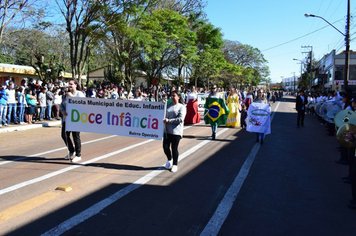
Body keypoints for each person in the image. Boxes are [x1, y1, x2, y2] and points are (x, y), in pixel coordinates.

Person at [60, 79, 85, 163]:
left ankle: (78, 155)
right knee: (64, 135)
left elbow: (82, 104)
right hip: (66, 119)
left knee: (75, 136)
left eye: (71, 84)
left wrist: (71, 96)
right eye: (69, 84)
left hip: (76, 119)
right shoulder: (65, 95)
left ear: (76, 85)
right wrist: (62, 110)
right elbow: (62, 104)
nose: (69, 86)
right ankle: (71, 151)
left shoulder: (79, 94)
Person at [163, 90, 186, 173]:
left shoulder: (181, 107)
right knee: (165, 147)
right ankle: (169, 159)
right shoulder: (167, 106)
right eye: (171, 96)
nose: (172, 97)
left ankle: (175, 164)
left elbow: (180, 119)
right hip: (167, 131)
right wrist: (162, 104)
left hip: (176, 132)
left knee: (174, 148)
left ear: (178, 97)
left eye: (174, 95)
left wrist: (168, 120)